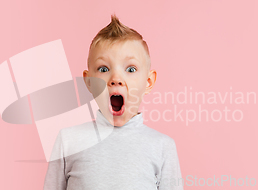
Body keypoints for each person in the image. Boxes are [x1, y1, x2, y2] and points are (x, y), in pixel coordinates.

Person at [44, 14, 183, 190]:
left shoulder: (163, 146)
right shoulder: (68, 141)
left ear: (148, 82)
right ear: (89, 82)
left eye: (130, 69)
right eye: (104, 69)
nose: (116, 78)